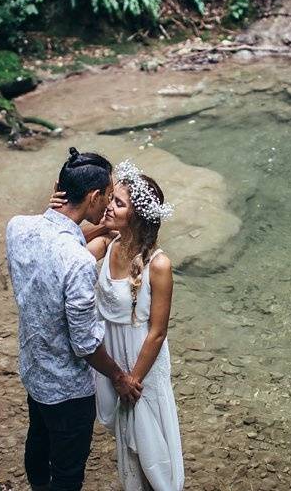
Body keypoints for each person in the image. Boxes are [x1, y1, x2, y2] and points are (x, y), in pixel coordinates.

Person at [6, 148, 143, 491]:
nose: (109, 205)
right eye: (108, 197)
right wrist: (118, 377)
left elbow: (55, 240)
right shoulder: (77, 262)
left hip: (34, 372)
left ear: (59, 188)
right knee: (67, 475)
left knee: (38, 442)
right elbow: (84, 344)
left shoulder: (17, 227)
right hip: (68, 390)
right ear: (94, 197)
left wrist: (95, 232)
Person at [51, 159, 184, 491]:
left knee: (150, 432)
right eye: (111, 199)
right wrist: (56, 211)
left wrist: (133, 378)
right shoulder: (108, 244)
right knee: (126, 435)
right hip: (112, 355)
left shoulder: (159, 264)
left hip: (143, 358)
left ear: (136, 215)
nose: (108, 206)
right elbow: (67, 242)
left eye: (119, 203)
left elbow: (158, 331)